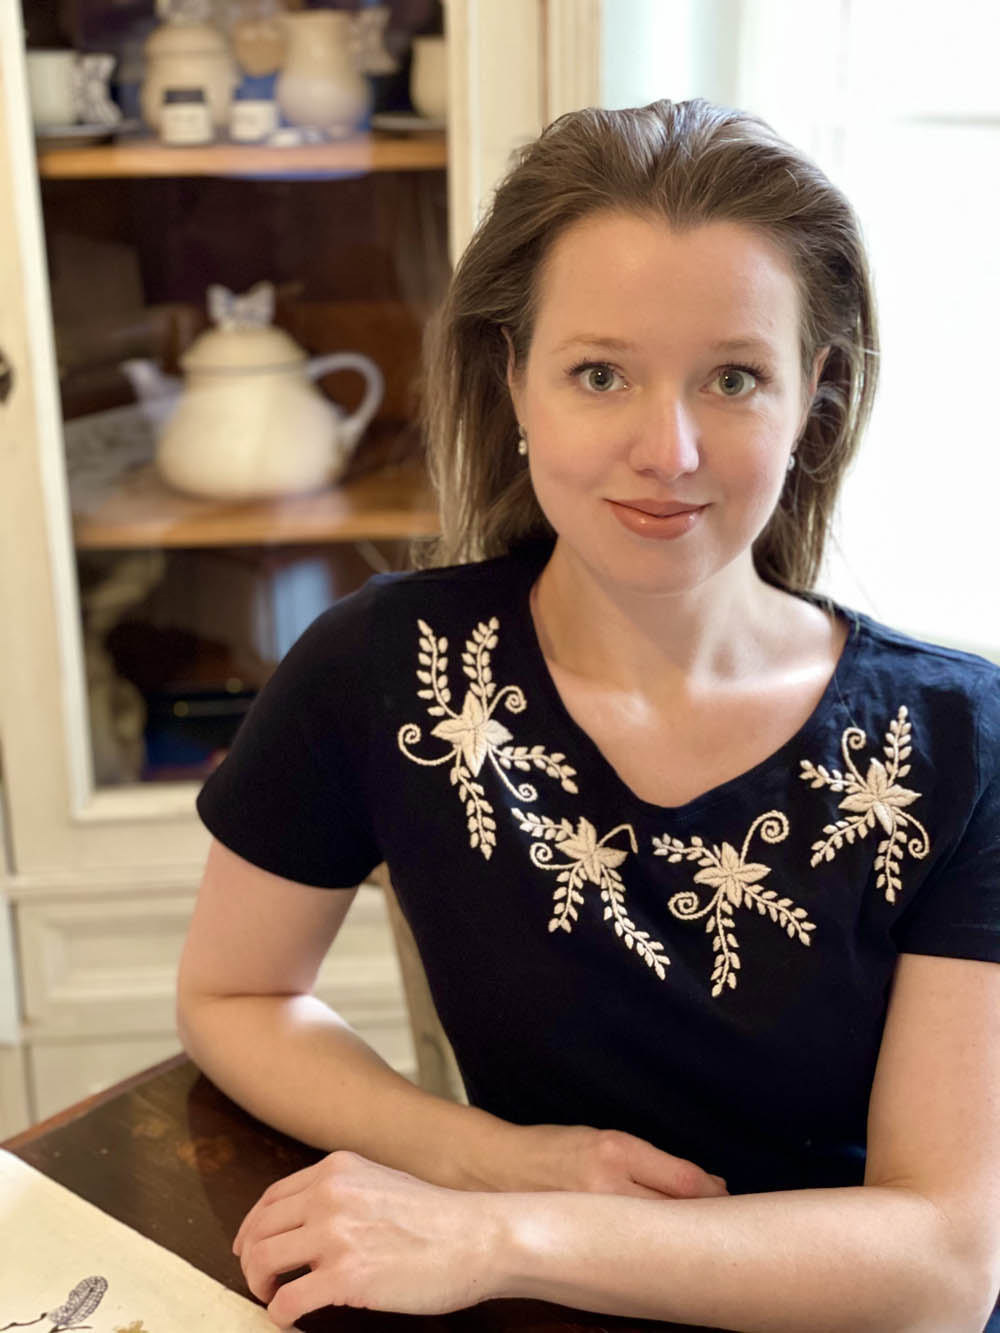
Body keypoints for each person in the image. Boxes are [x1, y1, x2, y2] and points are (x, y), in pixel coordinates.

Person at [177, 98, 1000, 1332]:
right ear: (514, 379)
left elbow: (939, 1266)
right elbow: (235, 995)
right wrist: (479, 1157)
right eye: (599, 373)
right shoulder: (381, 667)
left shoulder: (962, 741)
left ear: (813, 396)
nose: (666, 450)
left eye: (733, 378)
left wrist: (505, 1230)